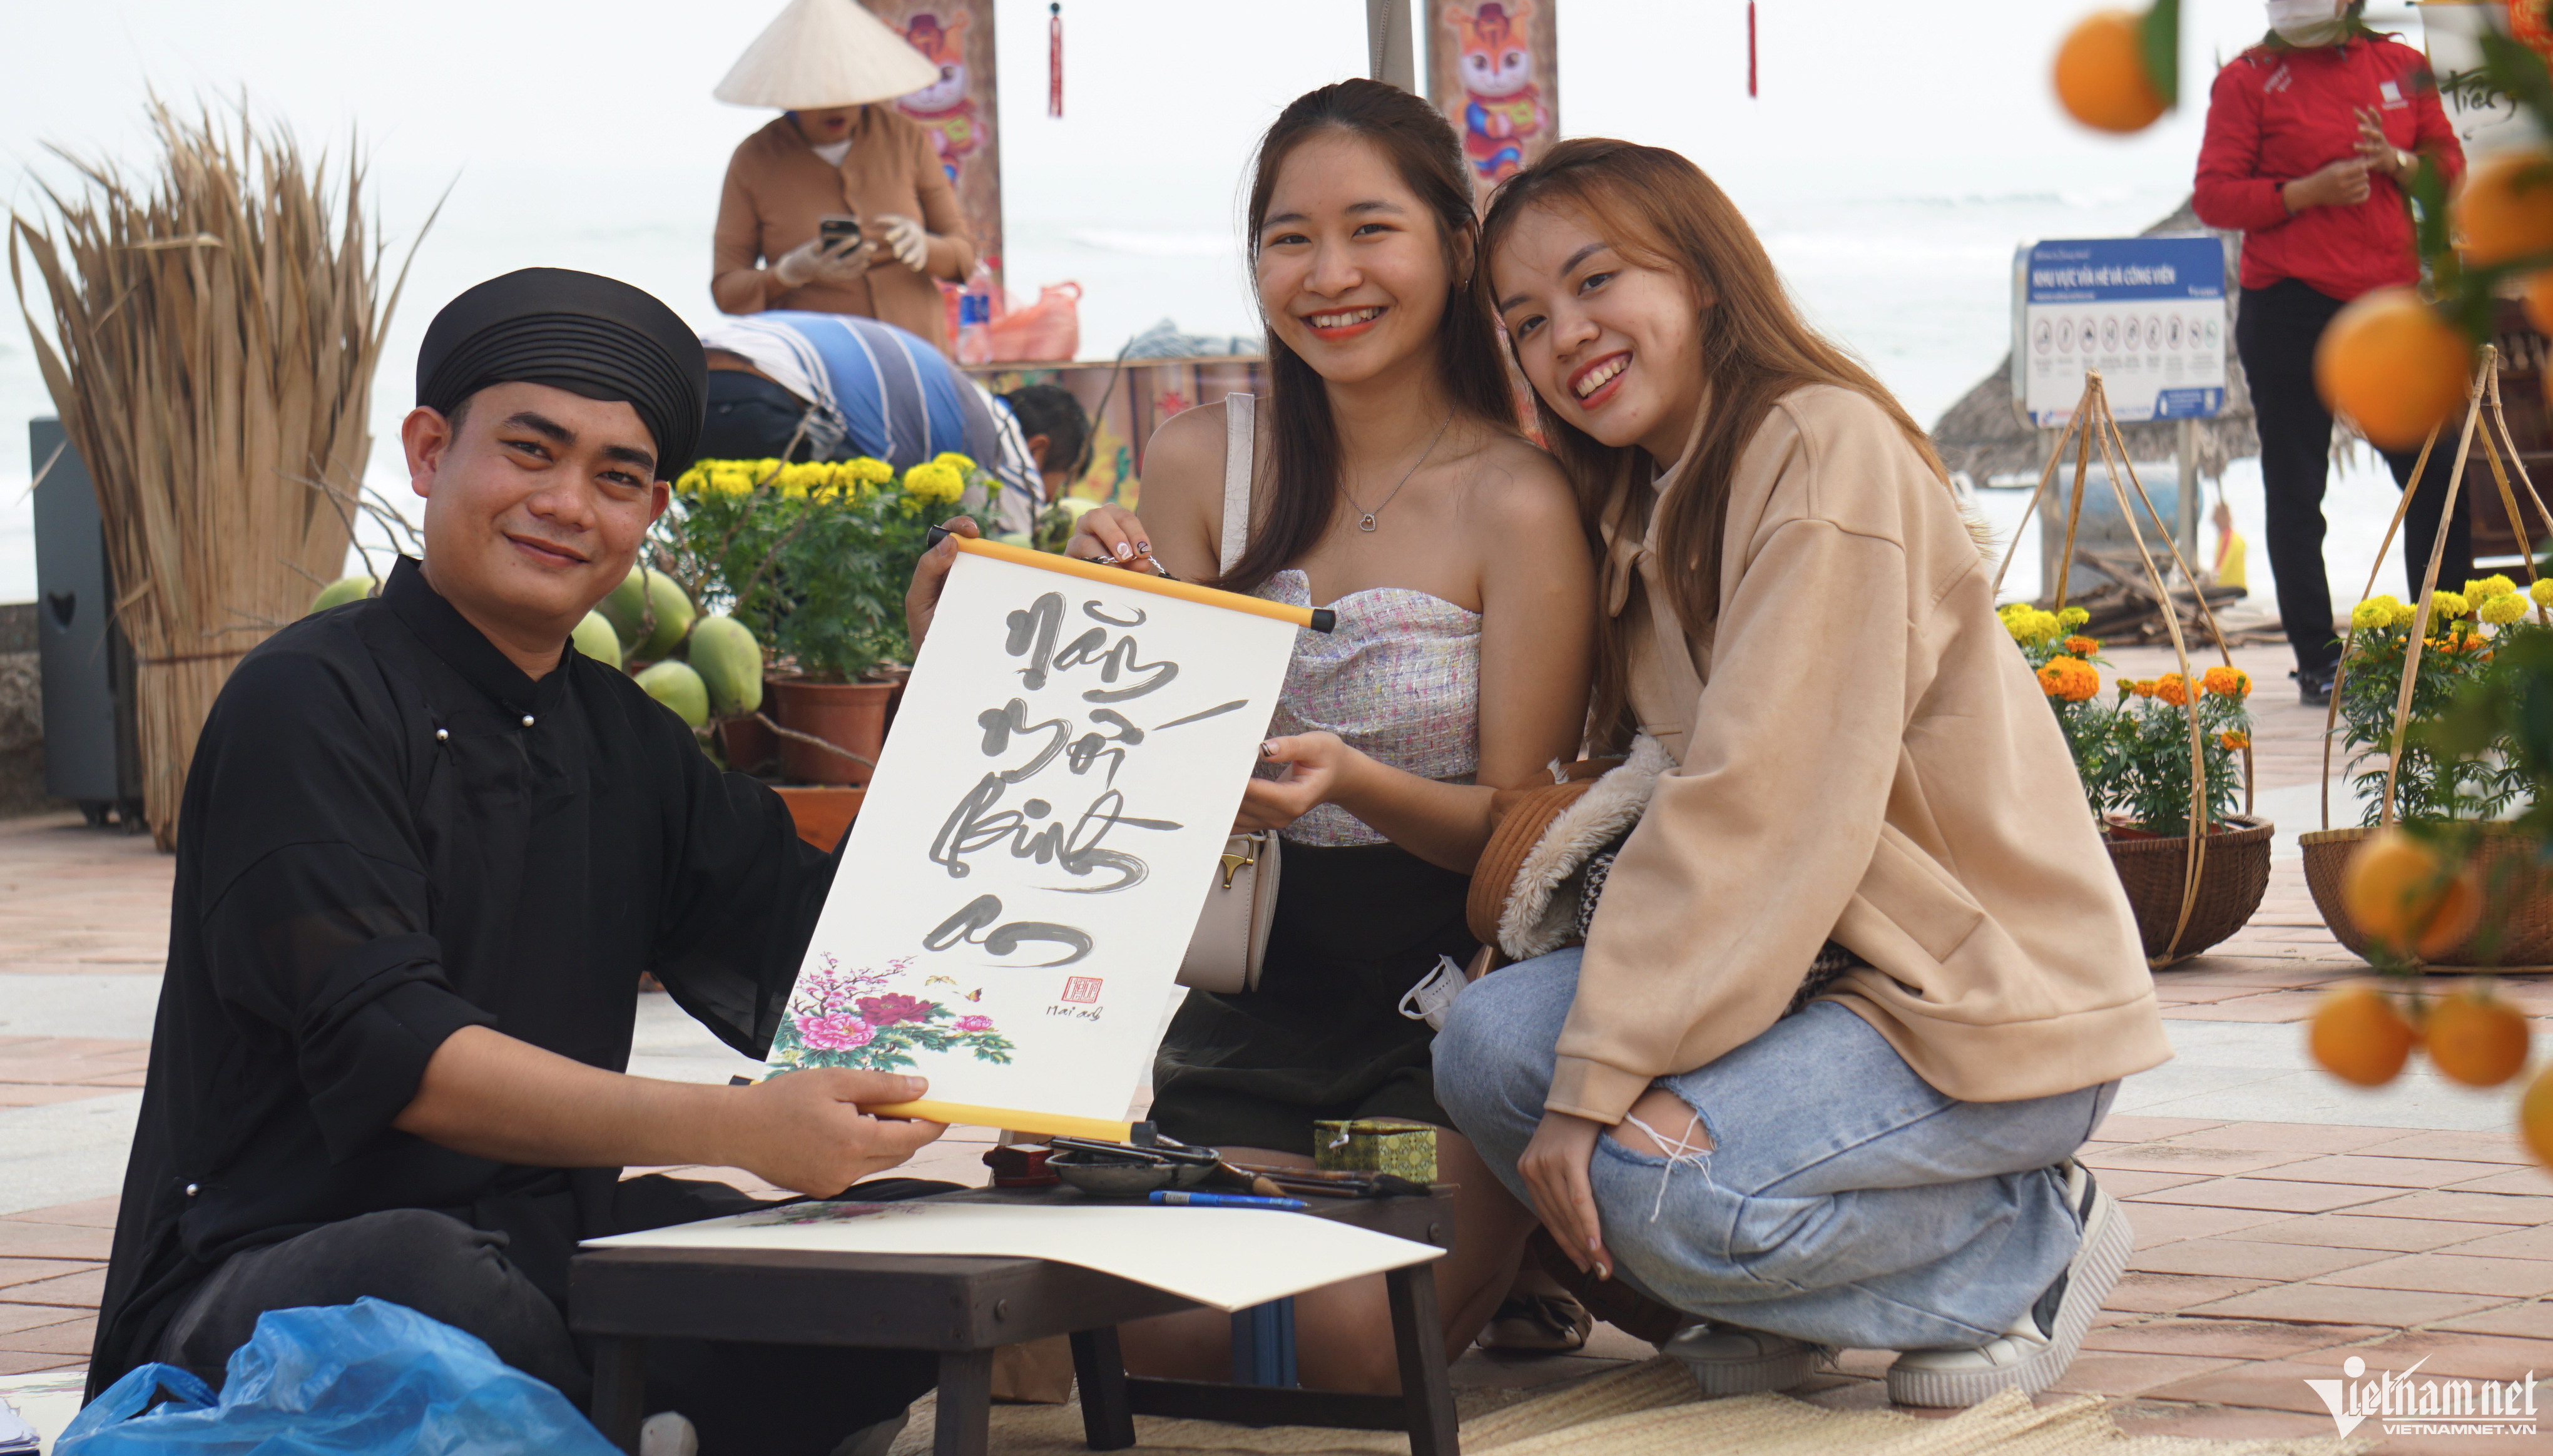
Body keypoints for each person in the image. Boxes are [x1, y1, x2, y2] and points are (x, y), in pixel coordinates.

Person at [90, 268, 951, 1455]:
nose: (566, 504)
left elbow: (835, 955)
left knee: (920, 1249)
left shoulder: (627, 740)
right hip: (265, 1283)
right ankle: (667, 1419)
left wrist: (959, 684)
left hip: (549, 1252)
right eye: (531, 451)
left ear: (651, 512)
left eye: (616, 477)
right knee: (424, 1279)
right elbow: (404, 1058)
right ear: (429, 451)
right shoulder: (307, 700)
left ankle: (643, 1421)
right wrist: (738, 1128)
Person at [1435, 140, 2172, 1408]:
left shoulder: (1822, 449)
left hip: (1971, 1003)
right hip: (1812, 985)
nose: (1568, 335)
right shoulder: (1641, 505)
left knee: (1654, 1172)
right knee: (1488, 1047)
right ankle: (1775, 1300)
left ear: (1702, 274)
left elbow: (1757, 806)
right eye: (1529, 320)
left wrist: (1598, 1084)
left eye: (1598, 280)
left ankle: (2021, 1243)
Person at [907, 79, 1598, 1390]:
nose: (1328, 275)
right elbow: (1104, 754)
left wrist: (1359, 783)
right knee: (1105, 1328)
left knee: (1349, 1344)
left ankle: (1514, 1244)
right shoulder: (1198, 462)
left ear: (1457, 247)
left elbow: (1521, 829)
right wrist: (1006, 606)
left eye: (1370, 230)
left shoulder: (1523, 496)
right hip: (1249, 1008)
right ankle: (1496, 1261)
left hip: (1443, 1020)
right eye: (1290, 238)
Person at [2193, 0, 2467, 705]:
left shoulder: (2402, 66)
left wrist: (2399, 162)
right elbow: (2214, 195)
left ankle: (2440, 645)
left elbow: (2448, 172)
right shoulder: (2247, 79)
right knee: (2295, 485)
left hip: (2387, 307)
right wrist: (2300, 194)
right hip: (2289, 304)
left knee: (2437, 474)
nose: (2291, 0)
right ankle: (2319, 659)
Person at [711, 0, 976, 355]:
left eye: (847, 92)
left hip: (915, 351)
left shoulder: (904, 138)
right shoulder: (754, 159)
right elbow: (727, 291)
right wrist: (788, 273)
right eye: (818, 95)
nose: (835, 107)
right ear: (790, 96)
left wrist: (925, 246)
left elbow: (964, 256)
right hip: (816, 358)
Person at [695, 311, 1056, 536]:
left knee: (728, 554)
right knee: (819, 568)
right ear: (1038, 452)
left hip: (689, 380)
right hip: (764, 390)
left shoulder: (959, 393)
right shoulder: (1006, 444)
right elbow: (1016, 552)